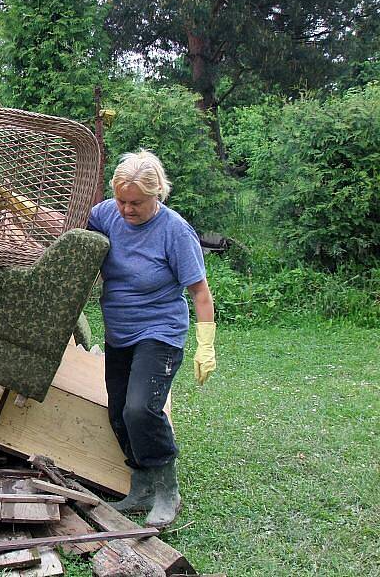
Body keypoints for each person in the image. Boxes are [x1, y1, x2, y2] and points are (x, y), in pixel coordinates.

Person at [87, 149, 216, 529]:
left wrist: (205, 344)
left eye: (137, 203)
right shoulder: (106, 214)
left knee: (140, 409)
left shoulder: (175, 231)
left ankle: (167, 490)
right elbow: (76, 239)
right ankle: (141, 487)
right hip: (120, 332)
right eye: (121, 200)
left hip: (159, 332)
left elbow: (201, 292)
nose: (126, 210)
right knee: (118, 413)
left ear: (157, 193)